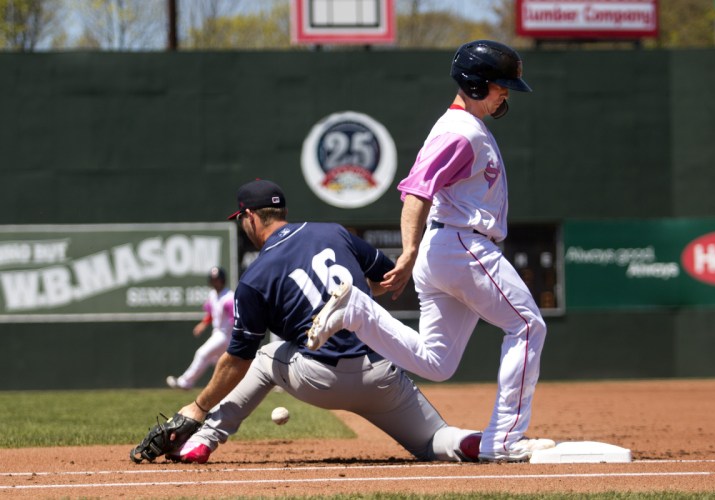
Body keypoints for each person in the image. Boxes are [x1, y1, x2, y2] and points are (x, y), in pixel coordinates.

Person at [307, 40, 554, 462]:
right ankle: (505, 440)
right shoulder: (460, 133)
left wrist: (415, 255)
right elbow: (417, 192)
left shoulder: (465, 128)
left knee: (438, 362)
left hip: (450, 248)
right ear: (477, 84)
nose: (506, 93)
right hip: (462, 243)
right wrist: (407, 252)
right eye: (501, 85)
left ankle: (356, 313)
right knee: (528, 326)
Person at [170, 179, 481, 464]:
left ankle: (201, 441)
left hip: (319, 379)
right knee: (433, 440)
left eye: (241, 219)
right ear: (283, 211)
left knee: (264, 357)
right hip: (379, 376)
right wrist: (359, 291)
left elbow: (238, 359)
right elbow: (388, 279)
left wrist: (198, 407)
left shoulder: (254, 278)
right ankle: (474, 442)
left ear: (250, 216)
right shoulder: (334, 231)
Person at [167, 267, 234, 390]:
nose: (215, 282)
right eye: (213, 280)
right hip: (217, 333)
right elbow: (211, 313)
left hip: (225, 335)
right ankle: (226, 388)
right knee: (220, 364)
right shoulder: (213, 295)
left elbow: (235, 319)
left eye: (218, 280)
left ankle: (184, 382)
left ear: (223, 280)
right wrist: (203, 324)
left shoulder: (229, 297)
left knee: (202, 354)